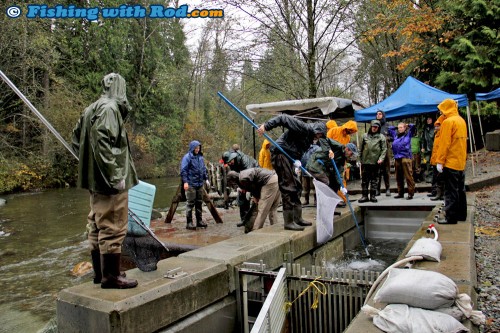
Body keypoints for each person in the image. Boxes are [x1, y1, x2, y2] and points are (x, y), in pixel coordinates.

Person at [71, 73, 138, 289]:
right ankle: (111, 277)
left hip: (95, 180)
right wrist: (114, 175)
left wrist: (89, 166)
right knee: (113, 224)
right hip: (110, 181)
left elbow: (76, 139)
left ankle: (100, 274)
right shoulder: (110, 109)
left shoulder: (91, 108)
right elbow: (102, 141)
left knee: (96, 223)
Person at [257, 114, 327, 231]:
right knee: (288, 187)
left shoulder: (310, 138)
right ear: (316, 130)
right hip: (280, 154)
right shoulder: (304, 127)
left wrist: (297, 160)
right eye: (319, 134)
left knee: (297, 186)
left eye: (321, 136)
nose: (319, 137)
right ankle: (288, 222)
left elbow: (298, 148)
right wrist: (266, 126)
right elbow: (283, 118)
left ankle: (297, 218)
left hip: (289, 157)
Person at [435, 99, 467, 224]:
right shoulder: (461, 120)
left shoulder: (448, 122)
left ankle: (451, 217)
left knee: (450, 190)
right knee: (460, 189)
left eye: (442, 110)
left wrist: (439, 161)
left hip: (450, 162)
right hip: (460, 161)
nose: (440, 112)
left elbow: (444, 144)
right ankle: (461, 214)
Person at [306, 139, 358, 207]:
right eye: (352, 153)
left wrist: (341, 186)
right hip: (315, 163)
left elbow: (339, 172)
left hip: (323, 168)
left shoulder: (342, 159)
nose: (351, 156)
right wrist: (329, 150)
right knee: (325, 182)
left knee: (334, 182)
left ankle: (332, 200)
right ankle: (322, 203)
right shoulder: (338, 146)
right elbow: (324, 139)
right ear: (347, 149)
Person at [222, 149, 259, 226]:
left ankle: (253, 220)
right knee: (241, 197)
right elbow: (235, 177)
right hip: (243, 178)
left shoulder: (244, 160)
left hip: (254, 176)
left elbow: (249, 173)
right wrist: (240, 187)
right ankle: (244, 219)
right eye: (228, 162)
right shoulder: (232, 164)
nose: (229, 163)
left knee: (254, 199)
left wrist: (247, 188)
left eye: (230, 161)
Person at [181, 140, 209, 230]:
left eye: (198, 148)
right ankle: (189, 223)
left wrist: (206, 178)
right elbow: (183, 170)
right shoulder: (187, 157)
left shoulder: (200, 157)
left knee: (199, 202)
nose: (197, 149)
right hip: (191, 184)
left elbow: (203, 169)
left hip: (200, 184)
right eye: (196, 148)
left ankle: (199, 221)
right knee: (190, 203)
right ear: (192, 148)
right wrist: (185, 182)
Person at [359, 120, 387, 203]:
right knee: (364, 180)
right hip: (365, 161)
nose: (374, 128)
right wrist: (359, 159)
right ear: (370, 126)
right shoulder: (364, 136)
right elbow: (361, 149)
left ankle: (373, 196)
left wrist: (381, 158)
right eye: (373, 126)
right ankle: (364, 196)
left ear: (378, 128)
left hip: (375, 162)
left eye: (376, 127)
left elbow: (384, 149)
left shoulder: (381, 137)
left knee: (374, 180)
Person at [388, 122, 416, 199]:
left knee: (408, 176)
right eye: (399, 127)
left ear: (405, 128)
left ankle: (410, 193)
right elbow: (389, 129)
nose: (400, 129)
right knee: (398, 177)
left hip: (406, 157)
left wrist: (407, 125)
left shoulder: (408, 134)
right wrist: (396, 127)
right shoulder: (395, 136)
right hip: (397, 158)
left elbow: (413, 126)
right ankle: (400, 193)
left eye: (401, 127)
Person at [375, 110, 391, 196]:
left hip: (386, 151)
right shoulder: (374, 126)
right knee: (377, 171)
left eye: (380, 114)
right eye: (377, 114)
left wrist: (386, 138)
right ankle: (377, 189)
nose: (378, 115)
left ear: (383, 115)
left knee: (386, 171)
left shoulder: (387, 126)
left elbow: (393, 136)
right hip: (376, 151)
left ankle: (387, 189)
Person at [429, 116, 445, 200]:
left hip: (440, 160)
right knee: (436, 178)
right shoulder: (436, 135)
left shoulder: (442, 135)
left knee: (441, 178)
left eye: (438, 126)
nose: (436, 127)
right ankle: (438, 194)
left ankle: (441, 194)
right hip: (435, 160)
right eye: (435, 126)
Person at [300, 140, 321, 206]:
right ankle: (306, 200)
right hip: (304, 170)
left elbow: (318, 157)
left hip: (313, 171)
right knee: (305, 187)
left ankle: (316, 200)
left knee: (314, 186)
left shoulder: (316, 148)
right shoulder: (302, 148)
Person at [421, 116, 435, 183]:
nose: (428, 120)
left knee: (434, 162)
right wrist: (423, 147)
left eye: (429, 119)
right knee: (427, 162)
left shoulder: (434, 128)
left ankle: (434, 176)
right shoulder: (425, 128)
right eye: (427, 119)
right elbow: (423, 138)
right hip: (427, 149)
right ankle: (429, 176)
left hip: (434, 148)